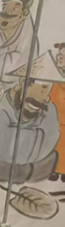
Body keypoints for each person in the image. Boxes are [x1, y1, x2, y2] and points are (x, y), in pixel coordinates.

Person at [0, 51, 62, 183]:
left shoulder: (49, 108)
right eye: (42, 87)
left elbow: (50, 141)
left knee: (51, 158)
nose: (45, 97)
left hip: (35, 170)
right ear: (22, 83)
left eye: (48, 89)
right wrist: (36, 134)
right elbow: (2, 152)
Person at [0, 0, 49, 86]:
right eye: (5, 6)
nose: (9, 12)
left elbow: (26, 56)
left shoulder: (27, 28)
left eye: (15, 8)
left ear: (23, 10)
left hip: (15, 81)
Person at [50, 43, 65, 182]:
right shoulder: (54, 76)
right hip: (54, 118)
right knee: (53, 144)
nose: (59, 58)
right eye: (59, 55)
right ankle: (52, 170)